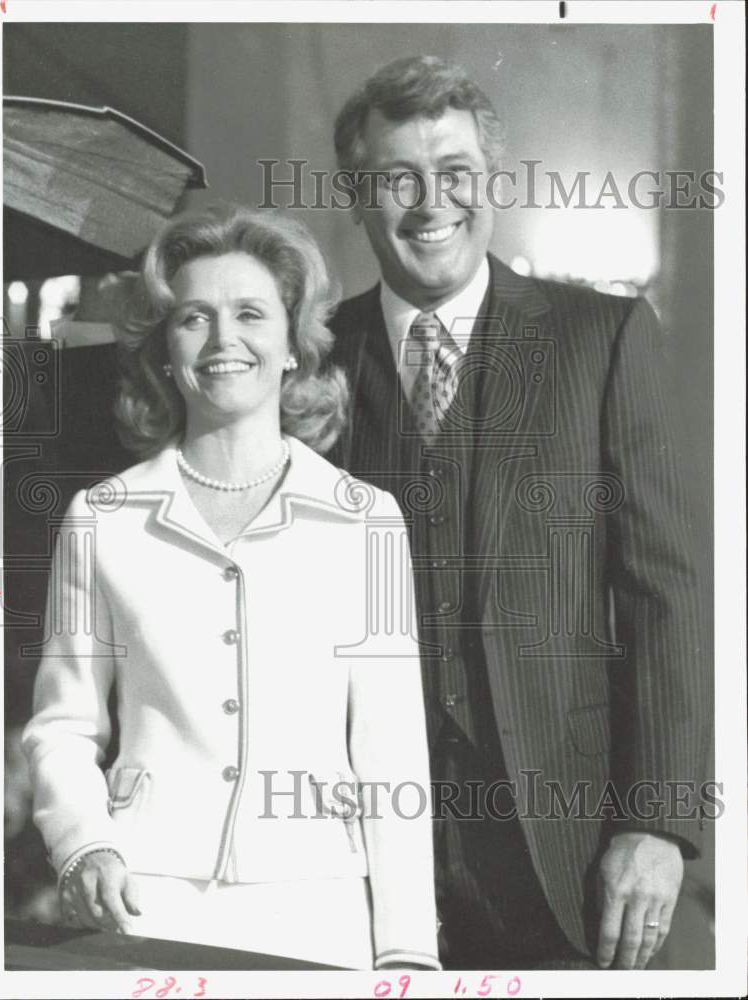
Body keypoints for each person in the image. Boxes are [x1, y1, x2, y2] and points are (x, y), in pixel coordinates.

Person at [329, 54, 710, 971]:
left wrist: (654, 825)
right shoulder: (311, 357)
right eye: (398, 178)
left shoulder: (600, 339)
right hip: (352, 860)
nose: (431, 203)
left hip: (566, 853)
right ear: (355, 194)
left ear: (491, 183)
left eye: (455, 173)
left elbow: (668, 594)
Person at [22, 204, 441, 972]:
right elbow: (63, 727)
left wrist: (407, 949)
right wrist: (84, 844)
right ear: (165, 350)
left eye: (250, 313)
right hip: (146, 902)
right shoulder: (102, 518)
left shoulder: (365, 522)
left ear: (291, 346)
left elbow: (391, 756)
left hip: (318, 910)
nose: (223, 340)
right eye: (193, 318)